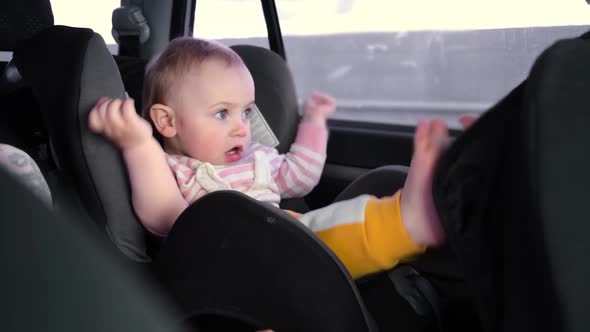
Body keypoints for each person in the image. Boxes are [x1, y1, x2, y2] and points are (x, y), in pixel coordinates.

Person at [88, 37, 450, 279]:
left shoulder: (254, 158)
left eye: (246, 112)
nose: (241, 128)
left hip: (278, 240)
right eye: (221, 113)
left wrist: (315, 124)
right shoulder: (178, 171)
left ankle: (409, 224)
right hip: (233, 261)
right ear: (166, 121)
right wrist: (139, 145)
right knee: (314, 238)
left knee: (320, 225)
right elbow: (164, 217)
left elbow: (301, 177)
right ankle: (405, 224)